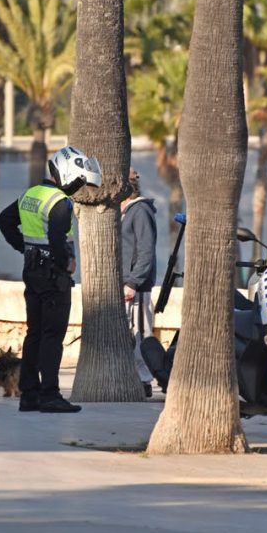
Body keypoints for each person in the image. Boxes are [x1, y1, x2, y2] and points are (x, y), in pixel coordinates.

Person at [0, 145, 102, 413]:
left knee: (34, 333)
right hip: (53, 276)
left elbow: (3, 220)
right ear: (67, 175)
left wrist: (24, 247)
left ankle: (29, 395)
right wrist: (67, 262)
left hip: (31, 272)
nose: (79, 188)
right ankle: (50, 395)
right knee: (52, 336)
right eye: (79, 182)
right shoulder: (59, 203)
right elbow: (57, 239)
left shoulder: (30, 194)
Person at [121, 168, 157, 397]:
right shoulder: (125, 212)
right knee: (130, 334)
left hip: (136, 287)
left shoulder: (140, 211)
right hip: (126, 283)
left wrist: (133, 282)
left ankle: (144, 381)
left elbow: (145, 251)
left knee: (140, 334)